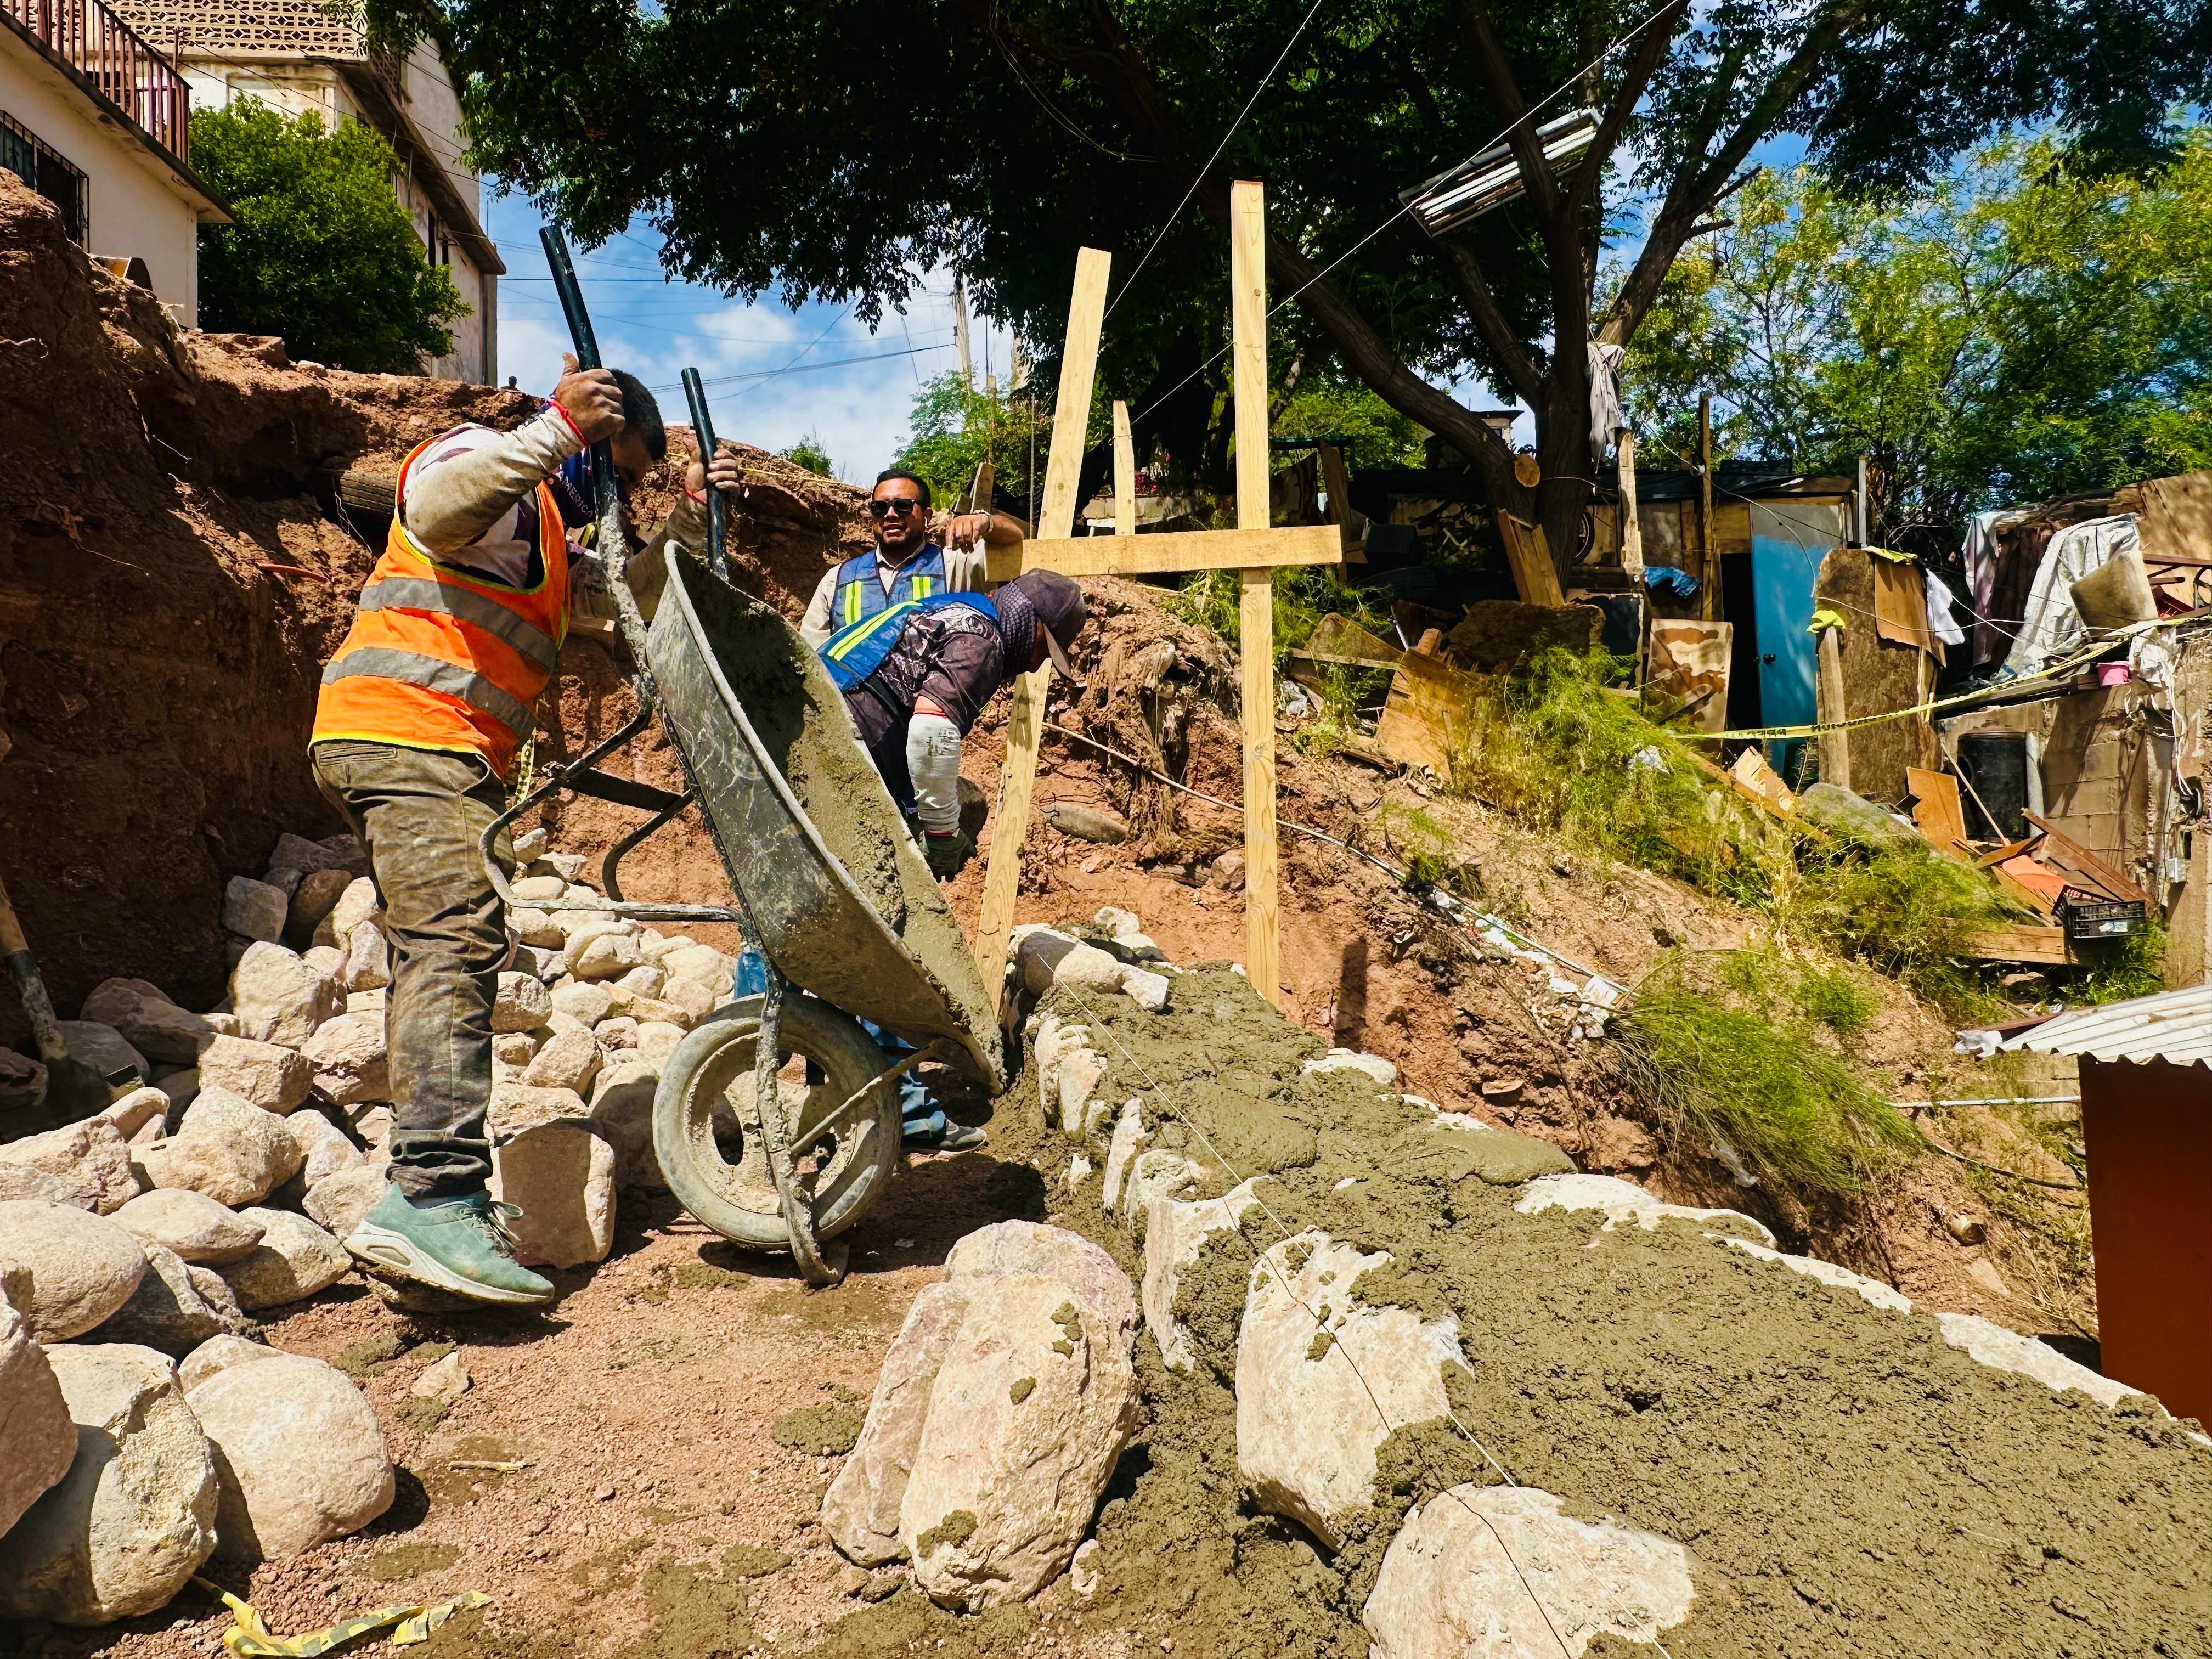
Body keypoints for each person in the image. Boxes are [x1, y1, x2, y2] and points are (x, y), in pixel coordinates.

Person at [315, 362, 735, 1306]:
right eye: (616, 473)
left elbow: (634, 601)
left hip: (439, 746)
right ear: (584, 438)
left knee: (452, 941)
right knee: (453, 939)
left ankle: (430, 1195)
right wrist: (555, 427)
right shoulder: (492, 468)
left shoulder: (545, 533)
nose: (616, 496)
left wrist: (702, 521)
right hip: (401, 728)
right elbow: (433, 505)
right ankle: (430, 1198)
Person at [798, 469, 1026, 648]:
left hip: (928, 706)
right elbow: (812, 657)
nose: (890, 514)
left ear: (926, 516)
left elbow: (1016, 539)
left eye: (903, 506)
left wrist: (985, 522)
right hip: (854, 705)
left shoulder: (952, 565)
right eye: (880, 507)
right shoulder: (837, 579)